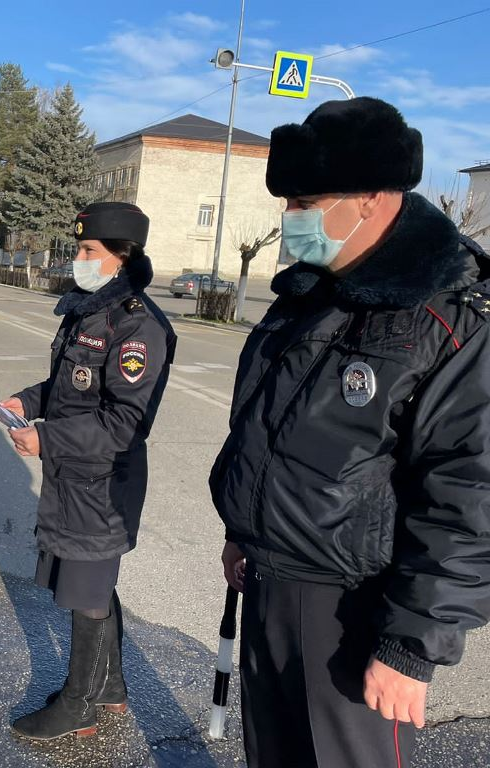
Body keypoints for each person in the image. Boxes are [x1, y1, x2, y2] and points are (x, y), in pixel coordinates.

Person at [212, 97, 490, 767]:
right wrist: (242, 533)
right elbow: (263, 429)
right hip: (272, 581)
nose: (291, 219)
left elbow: (468, 494)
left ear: (369, 196)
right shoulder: (306, 296)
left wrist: (413, 644)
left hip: (358, 609)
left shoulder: (446, 318)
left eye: (305, 201)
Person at [3, 202, 176, 740]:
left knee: (86, 592)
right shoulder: (90, 311)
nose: (78, 259)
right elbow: (70, 387)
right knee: (92, 587)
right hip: (74, 479)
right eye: (79, 249)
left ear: (122, 258)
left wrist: (46, 438)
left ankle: (78, 704)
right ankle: (112, 688)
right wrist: (25, 399)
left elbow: (125, 422)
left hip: (102, 483)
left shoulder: (139, 325)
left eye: (89, 251)